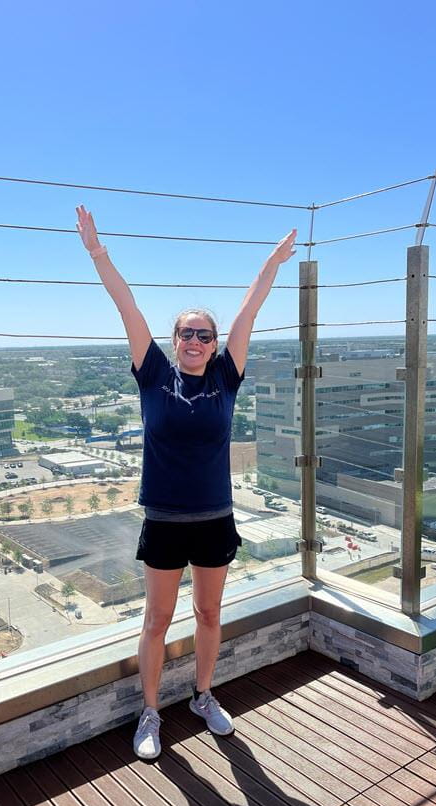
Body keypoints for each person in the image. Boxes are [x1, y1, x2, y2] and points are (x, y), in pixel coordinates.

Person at [75, 204, 295, 760]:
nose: (194, 340)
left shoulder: (226, 377)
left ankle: (202, 695)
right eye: (185, 333)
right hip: (166, 520)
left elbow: (249, 310)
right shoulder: (152, 373)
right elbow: (125, 305)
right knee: (156, 620)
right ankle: (150, 711)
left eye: (203, 334)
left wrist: (271, 265)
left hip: (215, 519)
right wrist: (99, 254)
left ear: (215, 344)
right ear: (174, 341)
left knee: (209, 615)